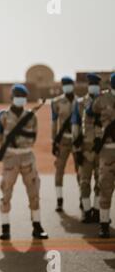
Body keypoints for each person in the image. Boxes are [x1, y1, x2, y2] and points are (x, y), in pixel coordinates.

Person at [0, 84, 48, 240]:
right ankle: (5, 228)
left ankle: (37, 226)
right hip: (10, 157)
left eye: (23, 96)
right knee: (6, 191)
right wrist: (8, 146)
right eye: (17, 96)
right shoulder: (3, 115)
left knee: (34, 191)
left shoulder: (31, 116)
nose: (20, 99)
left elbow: (34, 136)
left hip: (27, 157)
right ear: (12, 98)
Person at [71, 73, 101, 223]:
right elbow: (75, 127)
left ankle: (97, 211)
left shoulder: (106, 101)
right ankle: (86, 211)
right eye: (91, 84)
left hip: (103, 150)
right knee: (84, 182)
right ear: (88, 86)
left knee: (101, 182)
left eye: (96, 84)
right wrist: (76, 150)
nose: (93, 86)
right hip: (85, 148)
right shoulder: (80, 103)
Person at [91, 73, 115, 238]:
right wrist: (99, 134)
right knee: (105, 186)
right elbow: (90, 115)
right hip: (107, 149)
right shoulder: (101, 100)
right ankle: (104, 224)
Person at [51, 77, 79, 212]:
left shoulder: (80, 101)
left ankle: (82, 199)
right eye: (64, 84)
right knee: (59, 170)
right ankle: (59, 200)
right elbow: (53, 122)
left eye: (69, 84)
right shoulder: (56, 102)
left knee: (80, 170)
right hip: (62, 141)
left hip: (77, 140)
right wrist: (53, 142)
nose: (67, 86)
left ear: (73, 85)